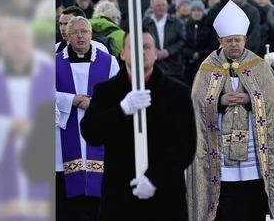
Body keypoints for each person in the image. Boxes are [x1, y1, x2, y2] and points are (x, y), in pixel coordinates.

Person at [186, 1, 274, 220]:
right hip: (220, 154)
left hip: (253, 153)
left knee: (252, 205)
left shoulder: (258, 66)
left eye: (237, 40)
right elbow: (197, 102)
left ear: (245, 40)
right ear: (220, 41)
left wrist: (251, 98)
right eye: (229, 41)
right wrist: (218, 101)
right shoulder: (207, 67)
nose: (233, 45)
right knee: (227, 206)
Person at [80, 31, 197, 220]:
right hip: (120, 199)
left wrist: (154, 178)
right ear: (123, 53)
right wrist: (121, 110)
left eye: (146, 47)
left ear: (156, 53)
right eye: (134, 47)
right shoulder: (106, 91)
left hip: (165, 199)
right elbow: (90, 133)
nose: (141, 52)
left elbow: (185, 147)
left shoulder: (177, 93)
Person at [0, 18, 54, 220]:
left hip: (40, 161)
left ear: (31, 42)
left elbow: (57, 113)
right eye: (12, 40)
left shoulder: (48, 73)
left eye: (23, 39)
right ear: (3, 44)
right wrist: (7, 126)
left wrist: (39, 128)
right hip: (1, 161)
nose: (18, 44)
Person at [55, 16, 119, 220]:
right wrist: (71, 100)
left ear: (91, 34)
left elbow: (119, 93)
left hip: (98, 136)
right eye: (75, 32)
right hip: (63, 138)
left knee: (97, 205)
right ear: (67, 36)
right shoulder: (54, 63)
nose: (80, 36)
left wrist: (96, 102)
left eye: (84, 31)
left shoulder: (108, 62)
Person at [143, 0, 185, 83]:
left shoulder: (176, 22)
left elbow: (182, 40)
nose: (161, 8)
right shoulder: (145, 22)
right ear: (152, 7)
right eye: (158, 5)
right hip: (153, 65)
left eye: (163, 5)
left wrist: (168, 51)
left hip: (173, 65)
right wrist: (153, 51)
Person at [181, 1, 215, 87]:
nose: (197, 13)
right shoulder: (185, 26)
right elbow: (181, 44)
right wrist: (191, 54)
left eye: (199, 10)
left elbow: (212, 45)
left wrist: (199, 54)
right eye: (194, 10)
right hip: (188, 64)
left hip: (205, 63)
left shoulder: (209, 27)